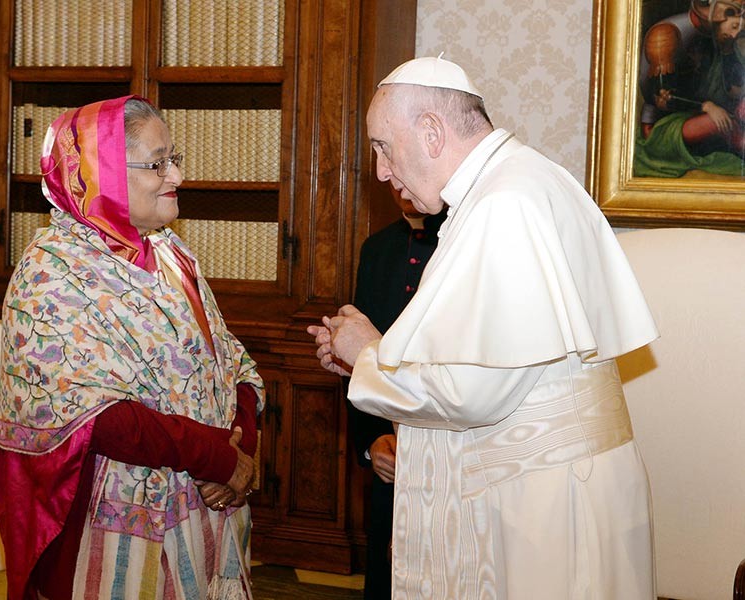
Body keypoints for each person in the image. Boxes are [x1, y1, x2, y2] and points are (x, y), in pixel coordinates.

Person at [308, 56, 659, 599]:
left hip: (541, 504)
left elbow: (472, 391)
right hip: (546, 488)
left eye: (382, 146)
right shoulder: (515, 182)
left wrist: (370, 353)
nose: (380, 170)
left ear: (430, 131)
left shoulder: (503, 204)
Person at [0, 95, 264, 600]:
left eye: (174, 157)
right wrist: (216, 459)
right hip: (115, 521)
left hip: (204, 502)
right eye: (158, 163)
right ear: (102, 172)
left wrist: (240, 444)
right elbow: (94, 416)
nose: (177, 175)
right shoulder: (52, 272)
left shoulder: (169, 251)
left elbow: (228, 357)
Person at [348, 189, 446, 599]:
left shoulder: (459, 246)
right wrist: (373, 441)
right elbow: (362, 363)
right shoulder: (377, 249)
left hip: (445, 455)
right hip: (391, 459)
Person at [636, 0, 745, 176]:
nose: (734, 34)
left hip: (695, 117)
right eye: (733, 24)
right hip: (661, 127)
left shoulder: (715, 38)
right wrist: (706, 106)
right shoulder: (666, 35)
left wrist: (727, 52)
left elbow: (735, 92)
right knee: (721, 125)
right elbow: (663, 98)